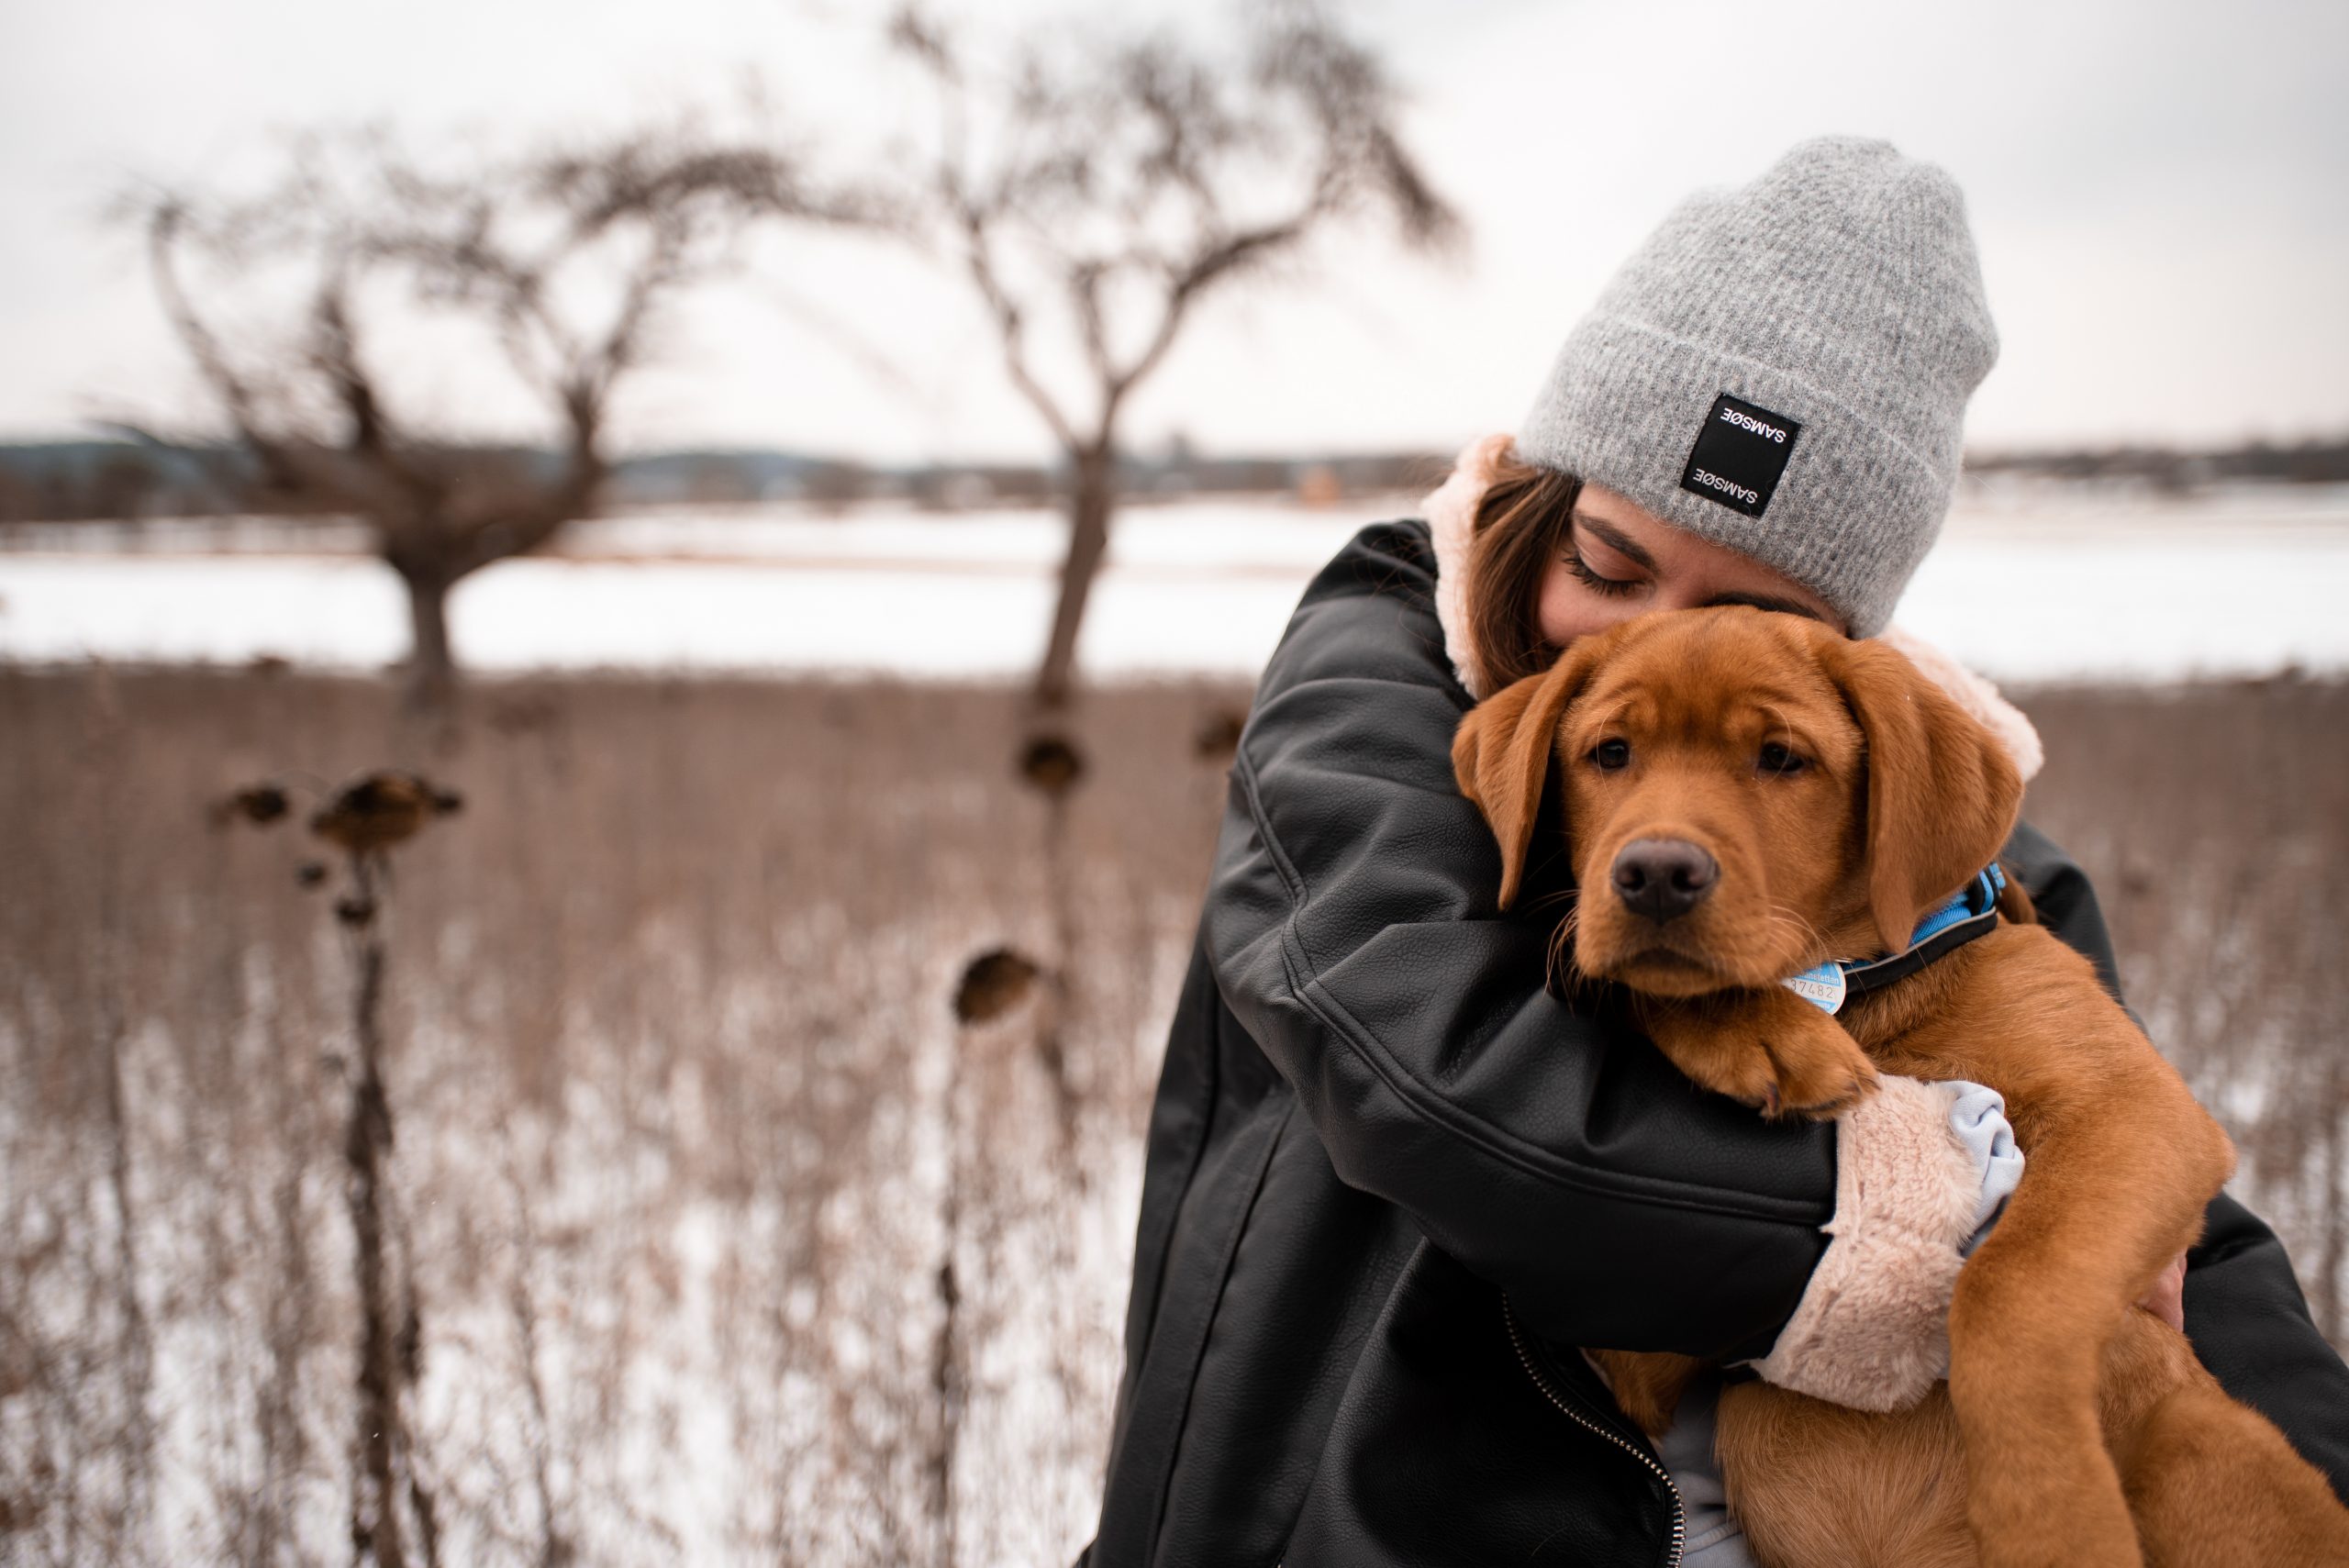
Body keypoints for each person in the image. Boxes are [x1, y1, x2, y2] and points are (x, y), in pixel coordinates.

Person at [1077, 138, 2349, 1568]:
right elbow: (1466, 1102)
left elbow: (2188, 1231)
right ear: (1539, 513)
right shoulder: (1366, 708)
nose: (1644, 644)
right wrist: (1959, 1203)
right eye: (1610, 567)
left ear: (1840, 645)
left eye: (1742, 619)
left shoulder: (1952, 849)